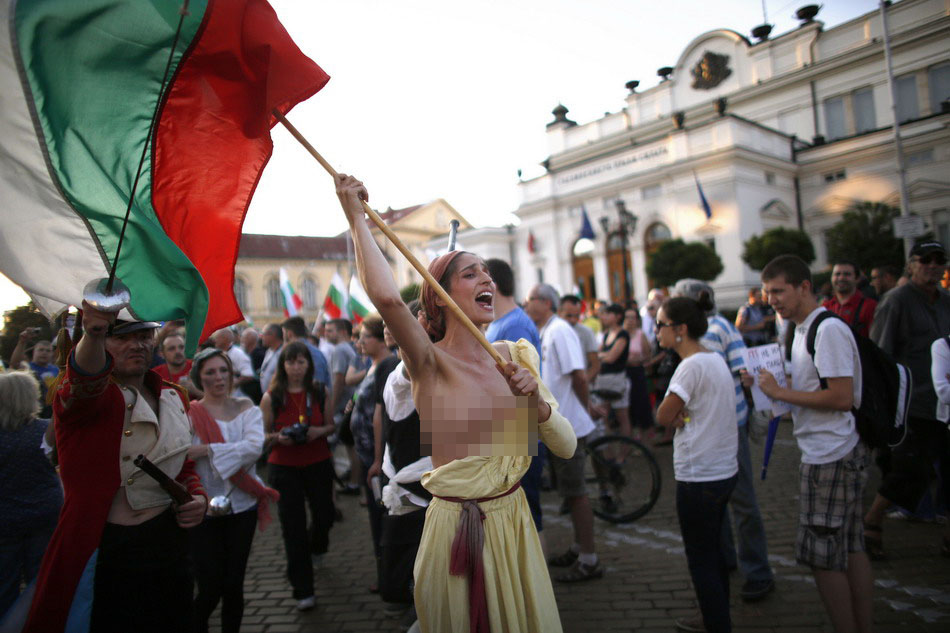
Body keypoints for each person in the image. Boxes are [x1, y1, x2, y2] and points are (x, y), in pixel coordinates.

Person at [336, 173, 576, 633]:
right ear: (442, 298)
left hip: (516, 525)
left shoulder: (516, 357)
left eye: (486, 272)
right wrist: (355, 217)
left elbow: (565, 448)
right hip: (457, 534)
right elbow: (386, 298)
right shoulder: (429, 362)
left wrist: (538, 407)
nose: (486, 278)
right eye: (471, 274)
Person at [24, 307, 207, 633]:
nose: (135, 344)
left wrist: (195, 497)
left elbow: (182, 464)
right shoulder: (85, 398)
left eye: (143, 336)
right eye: (121, 337)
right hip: (106, 551)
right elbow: (85, 380)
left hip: (168, 543)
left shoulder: (173, 394)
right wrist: (93, 332)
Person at [758, 255, 872, 633]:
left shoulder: (827, 329)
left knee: (824, 558)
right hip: (830, 451)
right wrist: (772, 389)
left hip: (831, 455)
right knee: (851, 546)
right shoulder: (801, 328)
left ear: (803, 287)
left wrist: (782, 392)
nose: (771, 299)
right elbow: (813, 389)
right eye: (766, 292)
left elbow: (841, 396)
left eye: (778, 291)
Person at [672, 279, 775, 607]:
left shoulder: (719, 328)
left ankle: (757, 571)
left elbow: (743, 371)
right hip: (707, 428)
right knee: (720, 501)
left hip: (729, 426)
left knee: (741, 499)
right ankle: (728, 560)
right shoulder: (693, 332)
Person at [655, 297, 738, 633]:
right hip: (722, 469)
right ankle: (716, 616)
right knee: (715, 552)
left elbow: (662, 414)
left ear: (681, 329)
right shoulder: (713, 358)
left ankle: (717, 623)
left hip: (699, 474)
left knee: (701, 558)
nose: (657, 331)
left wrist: (675, 416)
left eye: (661, 324)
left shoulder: (689, 366)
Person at [863, 240, 950, 558]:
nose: (932, 265)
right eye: (924, 259)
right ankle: (872, 522)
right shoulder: (896, 301)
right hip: (913, 404)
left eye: (939, 259)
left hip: (946, 405)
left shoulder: (946, 302)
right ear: (911, 265)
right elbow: (880, 355)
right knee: (912, 470)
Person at [186, 348, 278, 633]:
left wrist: (206, 449)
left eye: (223, 370)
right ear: (199, 377)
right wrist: (217, 452)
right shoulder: (191, 414)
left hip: (242, 506)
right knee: (210, 584)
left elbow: (253, 448)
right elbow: (182, 454)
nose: (218, 377)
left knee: (234, 583)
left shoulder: (247, 409)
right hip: (202, 509)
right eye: (210, 372)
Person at [525, 283, 602, 582]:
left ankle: (589, 559)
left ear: (545, 302)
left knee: (577, 493)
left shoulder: (560, 331)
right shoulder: (545, 330)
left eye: (531, 299)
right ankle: (578, 547)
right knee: (568, 494)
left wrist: (587, 407)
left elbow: (579, 376)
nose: (527, 304)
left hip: (568, 424)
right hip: (554, 426)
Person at [261, 341, 336, 611]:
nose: (296, 368)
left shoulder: (319, 391)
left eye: (301, 362)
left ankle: (318, 547)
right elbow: (262, 436)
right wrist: (278, 437)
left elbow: (330, 425)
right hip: (284, 466)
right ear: (282, 365)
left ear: (309, 364)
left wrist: (318, 432)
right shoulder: (272, 396)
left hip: (318, 461)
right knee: (292, 529)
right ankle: (303, 589)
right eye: (290, 362)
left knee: (324, 515)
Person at [484, 259, 546, 554]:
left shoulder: (515, 324)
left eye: (476, 275)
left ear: (490, 284)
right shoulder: (499, 323)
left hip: (519, 433)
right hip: (506, 432)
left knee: (528, 519)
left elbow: (525, 390)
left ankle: (536, 591)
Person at [0, 371, 63, 621]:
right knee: (42, 582)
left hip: (5, 521)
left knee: (5, 585)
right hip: (44, 516)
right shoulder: (46, 430)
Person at [350, 316, 399, 595]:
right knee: (378, 519)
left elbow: (382, 415)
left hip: (380, 460)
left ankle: (389, 580)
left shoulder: (388, 365)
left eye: (365, 337)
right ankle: (386, 577)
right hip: (372, 456)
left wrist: (379, 459)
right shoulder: (376, 366)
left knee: (383, 520)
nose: (359, 342)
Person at [595, 303, 633, 437]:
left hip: (616, 379)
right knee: (603, 416)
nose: (604, 317)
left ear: (618, 317)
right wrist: (604, 355)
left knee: (622, 416)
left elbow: (611, 358)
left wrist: (602, 355)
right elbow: (598, 355)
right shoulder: (606, 335)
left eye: (608, 314)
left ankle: (622, 455)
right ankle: (609, 452)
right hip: (604, 379)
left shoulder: (622, 334)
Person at [9, 329, 58, 417]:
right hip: (33, 411)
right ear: (34, 352)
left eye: (48, 351)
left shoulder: (57, 370)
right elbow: (14, 364)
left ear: (52, 354)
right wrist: (22, 342)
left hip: (52, 412)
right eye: (41, 350)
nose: (44, 353)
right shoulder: (27, 368)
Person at [823, 262, 877, 338]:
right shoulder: (825, 307)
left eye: (847, 274)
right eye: (837, 274)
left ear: (857, 279)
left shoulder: (870, 306)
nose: (841, 278)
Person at [622, 307, 654, 435]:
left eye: (633, 317)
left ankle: (645, 434)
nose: (630, 320)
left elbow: (647, 355)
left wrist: (638, 359)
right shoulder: (621, 334)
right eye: (627, 317)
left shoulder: (641, 334)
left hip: (637, 373)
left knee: (641, 404)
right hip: (624, 373)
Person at [559, 295, 601, 384]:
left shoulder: (586, 332)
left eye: (577, 316)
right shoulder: (551, 332)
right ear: (559, 312)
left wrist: (583, 383)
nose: (573, 320)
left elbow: (595, 365)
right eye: (569, 316)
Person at [281, 316, 331, 388]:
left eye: (283, 333)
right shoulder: (312, 352)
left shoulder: (312, 353)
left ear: (289, 334)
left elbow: (317, 385)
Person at [155, 330, 202, 399]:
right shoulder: (155, 375)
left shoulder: (199, 367)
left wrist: (194, 390)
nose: (178, 351)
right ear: (161, 353)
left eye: (181, 347)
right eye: (172, 349)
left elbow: (218, 400)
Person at [259, 323, 284, 394]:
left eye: (263, 334)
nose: (261, 337)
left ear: (272, 335)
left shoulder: (283, 353)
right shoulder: (269, 351)